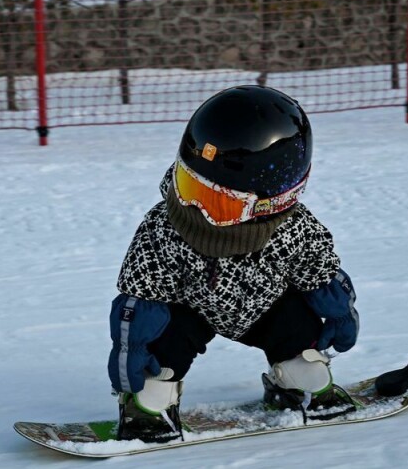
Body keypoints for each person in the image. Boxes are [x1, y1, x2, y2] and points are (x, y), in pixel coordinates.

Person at [107, 85, 360, 442]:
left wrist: (339, 312)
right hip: (190, 311)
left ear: (270, 204)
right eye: (189, 188)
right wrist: (130, 347)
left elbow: (319, 274)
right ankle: (148, 407)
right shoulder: (164, 227)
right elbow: (142, 295)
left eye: (216, 203)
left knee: (307, 366)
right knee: (159, 362)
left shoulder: (293, 231)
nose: (194, 210)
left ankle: (294, 384)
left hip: (267, 308)